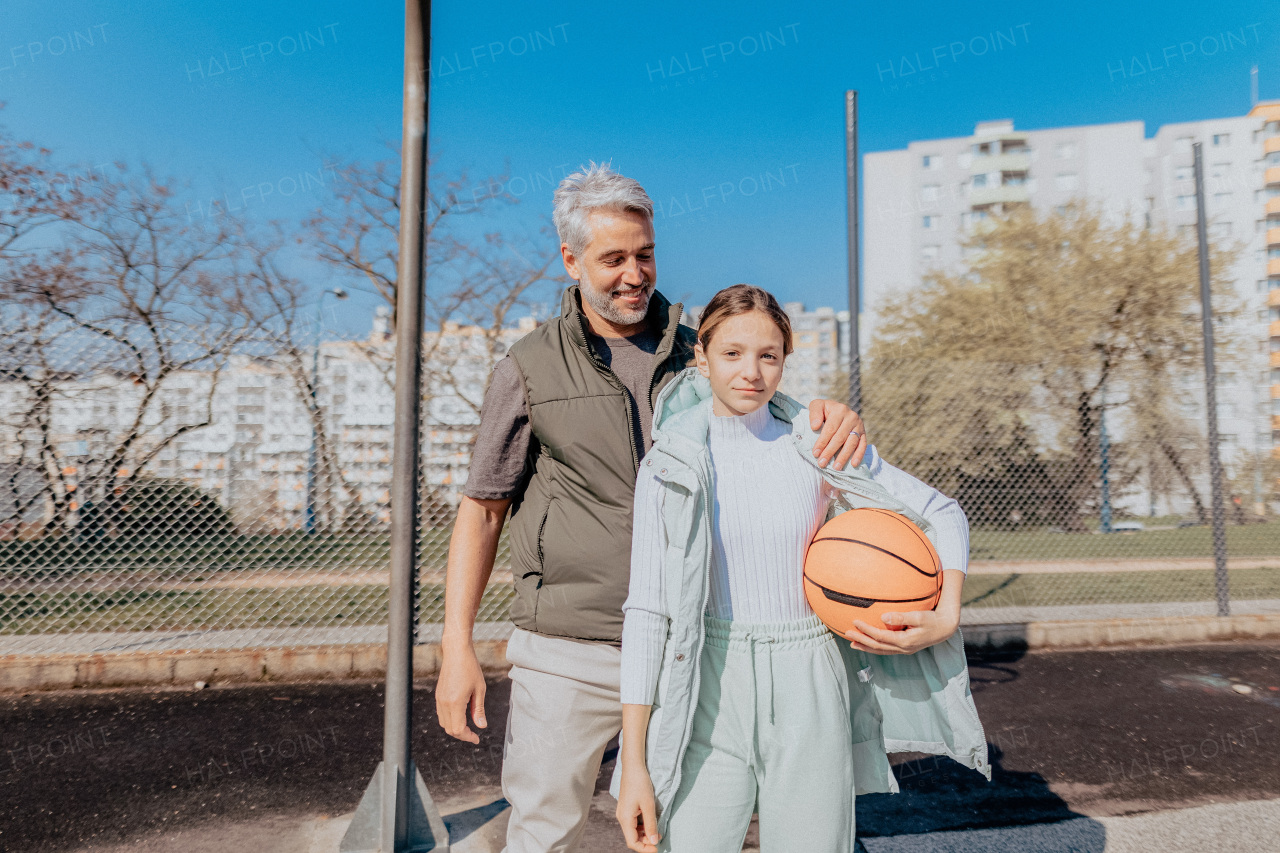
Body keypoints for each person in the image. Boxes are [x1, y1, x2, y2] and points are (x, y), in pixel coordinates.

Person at [435, 165, 870, 853]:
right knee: (542, 833)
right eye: (613, 259)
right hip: (567, 650)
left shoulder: (699, 352)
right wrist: (456, 644)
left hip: (686, 648)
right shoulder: (528, 366)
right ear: (571, 259)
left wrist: (832, 414)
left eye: (645, 253)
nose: (635, 273)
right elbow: (483, 510)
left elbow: (776, 420)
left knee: (672, 833)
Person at [615, 285, 989, 853]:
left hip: (809, 674)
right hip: (707, 682)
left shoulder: (817, 445)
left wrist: (946, 613)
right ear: (702, 356)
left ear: (786, 360)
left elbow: (942, 513)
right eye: (733, 353)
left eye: (769, 355)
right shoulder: (667, 464)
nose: (752, 371)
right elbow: (646, 612)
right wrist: (635, 764)